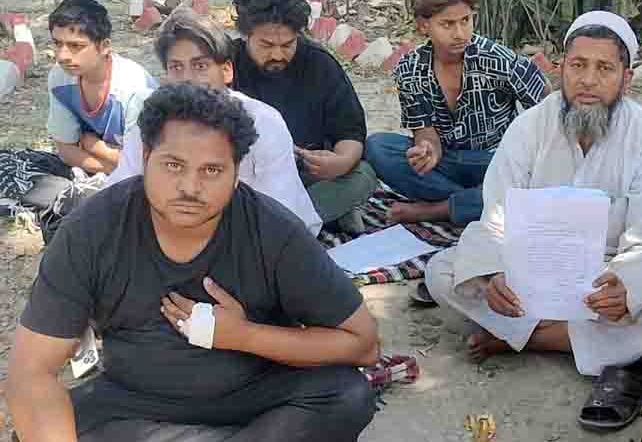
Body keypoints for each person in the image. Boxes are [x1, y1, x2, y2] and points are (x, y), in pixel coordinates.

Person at [6, 84, 379, 442]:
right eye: (173, 165)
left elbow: (362, 344)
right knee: (35, 425)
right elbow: (32, 370)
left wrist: (245, 336)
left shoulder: (273, 230)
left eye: (211, 170)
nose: (190, 187)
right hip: (134, 405)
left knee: (346, 395)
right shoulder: (92, 229)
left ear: (236, 174)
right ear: (146, 159)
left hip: (254, 398)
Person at [425, 11, 642, 429]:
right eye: (578, 65)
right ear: (561, 69)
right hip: (532, 270)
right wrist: (495, 273)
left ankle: (522, 339)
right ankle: (586, 343)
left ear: (626, 79)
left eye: (604, 68)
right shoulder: (529, 127)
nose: (588, 80)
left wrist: (627, 286)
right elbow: (495, 214)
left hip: (607, 276)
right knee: (442, 271)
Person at [108, 7, 323, 235]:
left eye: (200, 66)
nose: (188, 79)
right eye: (176, 67)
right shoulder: (152, 121)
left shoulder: (263, 123)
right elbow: (119, 194)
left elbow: (280, 214)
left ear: (227, 71)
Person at [365, 0, 548, 225]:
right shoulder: (410, 69)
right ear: (423, 26)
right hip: (448, 163)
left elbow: (550, 109)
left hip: (494, 162)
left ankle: (438, 209)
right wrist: (427, 151)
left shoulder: (500, 60)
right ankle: (479, 202)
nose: (460, 33)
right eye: (447, 24)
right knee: (377, 148)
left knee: (533, 175)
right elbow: (426, 134)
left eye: (465, 21)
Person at [230, 0, 376, 234]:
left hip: (305, 177)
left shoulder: (320, 65)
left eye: (287, 45)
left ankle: (273, 228)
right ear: (246, 35)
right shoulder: (226, 65)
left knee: (362, 177)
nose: (277, 55)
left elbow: (350, 131)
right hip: (246, 180)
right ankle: (303, 221)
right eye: (266, 45)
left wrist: (341, 161)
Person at [47, 0, 157, 175]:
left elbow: (144, 164)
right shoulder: (60, 78)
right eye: (58, 44)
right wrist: (110, 166)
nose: (62, 56)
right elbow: (66, 151)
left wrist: (94, 146)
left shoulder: (135, 89)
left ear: (105, 46)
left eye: (76, 46)